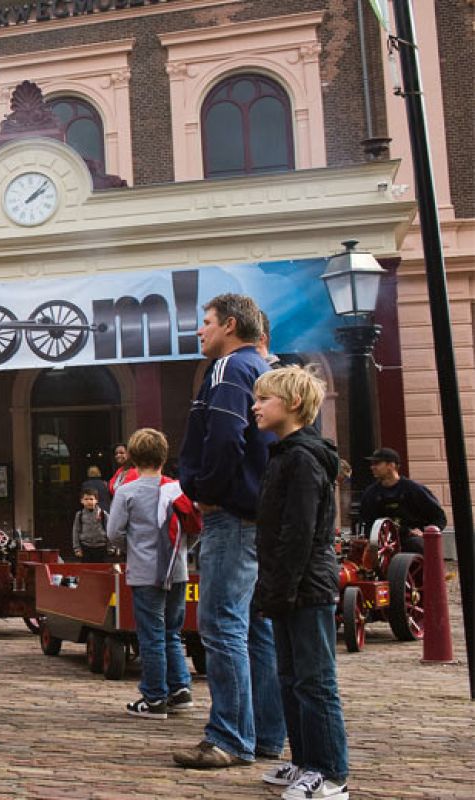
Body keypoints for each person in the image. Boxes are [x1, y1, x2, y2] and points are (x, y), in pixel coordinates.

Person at [172, 293, 287, 768]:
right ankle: (264, 736)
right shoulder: (262, 371)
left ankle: (228, 737)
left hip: (231, 515)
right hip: (259, 515)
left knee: (221, 625)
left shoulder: (226, 369)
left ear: (230, 325)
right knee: (256, 629)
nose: (200, 331)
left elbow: (222, 437)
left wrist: (205, 490)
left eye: (207, 322)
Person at [251, 366, 351, 799]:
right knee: (291, 677)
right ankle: (305, 759)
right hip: (289, 585)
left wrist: (280, 588)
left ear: (292, 405)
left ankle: (330, 772)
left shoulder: (302, 458)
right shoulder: (286, 455)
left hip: (305, 586)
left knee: (315, 681)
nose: (255, 406)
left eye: (263, 399)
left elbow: (299, 532)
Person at [106, 428, 193, 720]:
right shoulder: (176, 489)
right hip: (178, 569)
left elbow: (114, 532)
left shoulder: (127, 492)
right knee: (172, 632)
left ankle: (155, 697)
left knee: (151, 635)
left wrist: (133, 547)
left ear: (131, 456)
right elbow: (191, 528)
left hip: (145, 572)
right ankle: (180, 689)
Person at [358, 447, 445, 554]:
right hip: (381, 543)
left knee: (417, 545)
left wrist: (425, 532)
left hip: (410, 540)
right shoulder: (370, 493)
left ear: (391, 465)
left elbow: (439, 517)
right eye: (372, 464)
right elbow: (366, 521)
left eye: (377, 463)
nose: (372, 467)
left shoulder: (414, 489)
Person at [72, 490, 110, 563]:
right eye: (86, 499)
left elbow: (109, 530)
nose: (89, 501)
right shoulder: (79, 515)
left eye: (91, 499)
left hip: (101, 547)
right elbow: (75, 531)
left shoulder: (103, 514)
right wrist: (77, 549)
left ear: (96, 500)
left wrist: (111, 547)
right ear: (81, 501)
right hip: (85, 547)